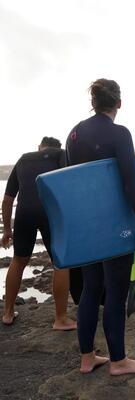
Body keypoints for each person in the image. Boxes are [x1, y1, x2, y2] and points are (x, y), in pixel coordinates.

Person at [66, 79, 135, 375]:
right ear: (119, 103)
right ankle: (118, 361)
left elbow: (71, 182)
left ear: (94, 101)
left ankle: (87, 358)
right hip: (114, 226)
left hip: (86, 226)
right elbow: (131, 181)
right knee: (115, 291)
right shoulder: (119, 133)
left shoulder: (74, 134)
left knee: (91, 287)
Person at [1, 137, 76, 330]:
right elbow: (71, 188)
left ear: (39, 147)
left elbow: (8, 199)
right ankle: (60, 319)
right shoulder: (62, 155)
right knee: (60, 262)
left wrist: (7, 231)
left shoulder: (24, 159)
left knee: (18, 260)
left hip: (24, 212)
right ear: (57, 148)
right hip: (50, 212)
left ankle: (8, 313)